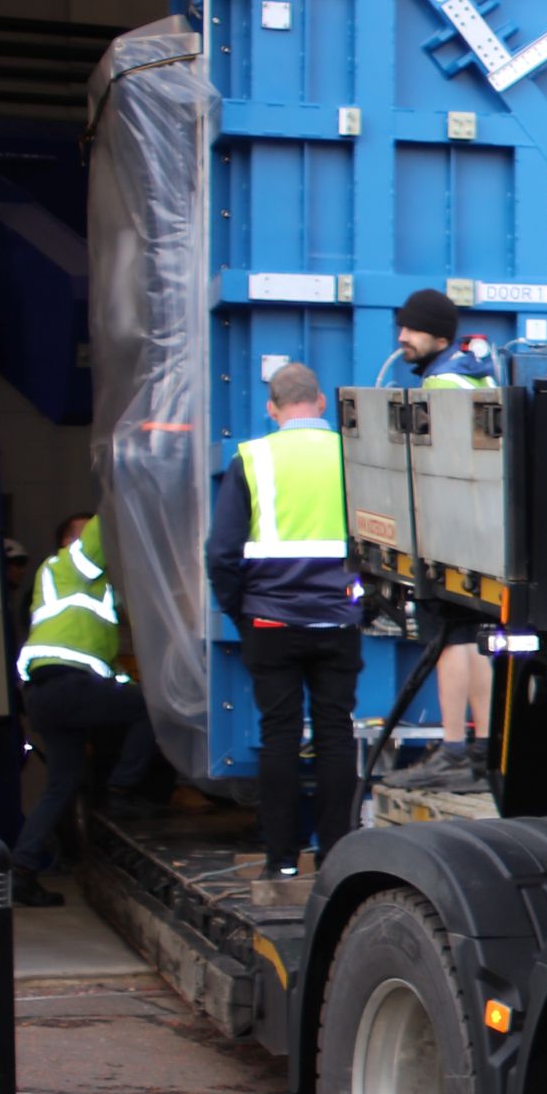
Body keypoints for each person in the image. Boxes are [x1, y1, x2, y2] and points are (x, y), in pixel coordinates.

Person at [207, 359, 364, 880]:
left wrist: (241, 611)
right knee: (336, 732)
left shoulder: (252, 458)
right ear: (320, 403)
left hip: (270, 622)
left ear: (272, 409)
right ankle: (336, 857)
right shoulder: (353, 455)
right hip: (337, 619)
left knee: (280, 735)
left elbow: (221, 553)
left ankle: (281, 861)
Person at [3, 507, 164, 908]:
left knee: (62, 783)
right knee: (152, 709)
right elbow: (106, 520)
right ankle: (122, 789)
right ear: (66, 542)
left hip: (49, 693)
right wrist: (125, 488)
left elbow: (102, 664)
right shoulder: (69, 566)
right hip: (66, 686)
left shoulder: (92, 591)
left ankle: (22, 869)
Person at [375, 287, 499, 786]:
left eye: (412, 329)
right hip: (481, 531)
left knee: (448, 638)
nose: (402, 338)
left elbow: (437, 465)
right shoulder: (475, 374)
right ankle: (483, 751)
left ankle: (452, 751)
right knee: (475, 639)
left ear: (440, 337)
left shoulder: (442, 385)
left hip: (450, 533)